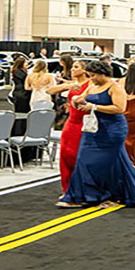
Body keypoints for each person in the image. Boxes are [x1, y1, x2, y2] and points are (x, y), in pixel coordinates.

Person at [58, 60, 135, 209]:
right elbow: (81, 99)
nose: (91, 79)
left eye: (93, 75)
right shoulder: (92, 86)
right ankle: (79, 195)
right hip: (93, 129)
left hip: (112, 130)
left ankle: (107, 195)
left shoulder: (115, 87)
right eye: (90, 76)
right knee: (84, 160)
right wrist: (75, 101)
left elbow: (119, 108)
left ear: (102, 74)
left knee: (106, 164)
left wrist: (95, 107)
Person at [48, 59, 90, 191]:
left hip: (85, 124)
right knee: (66, 155)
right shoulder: (73, 84)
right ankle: (67, 189)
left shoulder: (90, 84)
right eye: (72, 67)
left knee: (79, 156)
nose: (72, 70)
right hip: (71, 122)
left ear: (84, 70)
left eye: (76, 67)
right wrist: (66, 86)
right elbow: (49, 91)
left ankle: (82, 187)